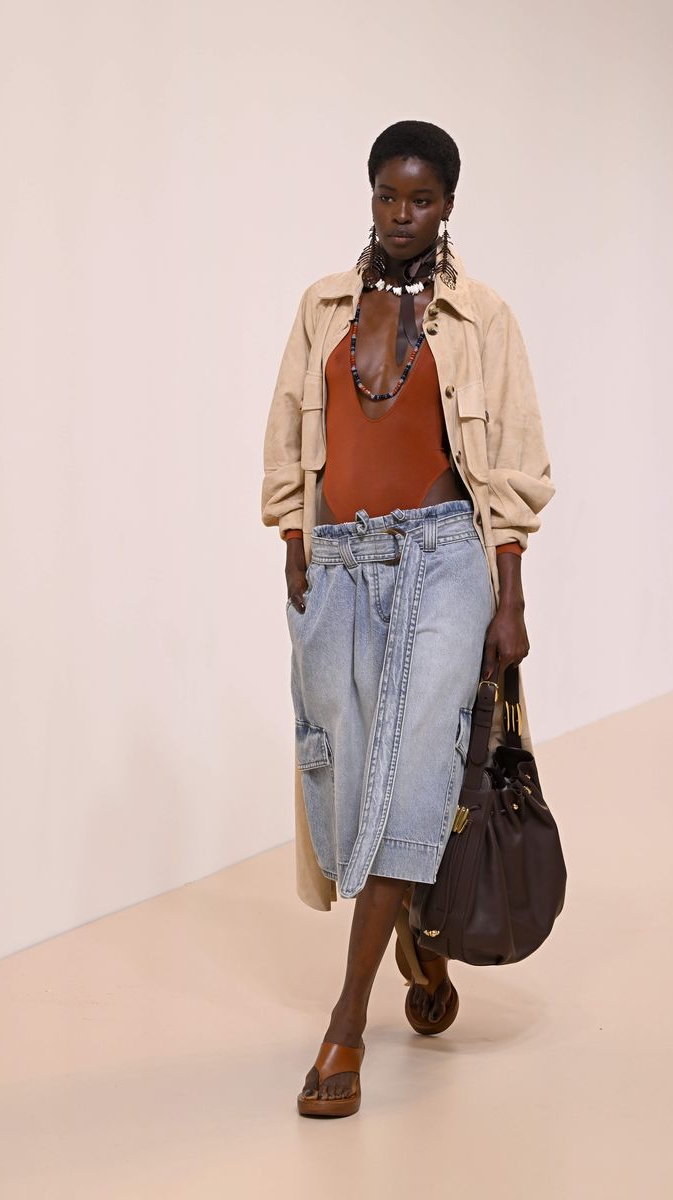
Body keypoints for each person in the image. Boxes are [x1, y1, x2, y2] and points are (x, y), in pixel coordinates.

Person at [261, 120, 555, 1117]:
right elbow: (286, 433)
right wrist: (293, 542)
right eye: (387, 196)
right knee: (343, 776)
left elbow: (511, 461)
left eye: (420, 200)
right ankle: (421, 961)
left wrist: (507, 598)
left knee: (415, 765)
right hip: (337, 567)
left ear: (447, 206)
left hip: (442, 560)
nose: (400, 215)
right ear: (371, 195)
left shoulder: (483, 318)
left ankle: (344, 1026)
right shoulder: (322, 309)